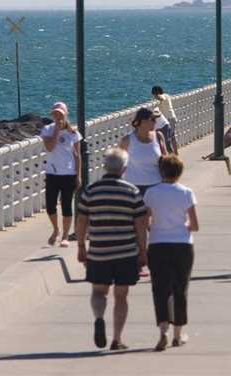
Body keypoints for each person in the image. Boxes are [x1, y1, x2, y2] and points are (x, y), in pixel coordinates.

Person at [76, 148, 147, 351]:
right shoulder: (131, 191)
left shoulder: (91, 191)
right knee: (121, 296)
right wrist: (143, 250)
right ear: (124, 168)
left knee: (99, 292)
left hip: (99, 250)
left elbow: (82, 220)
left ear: (105, 166)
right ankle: (117, 339)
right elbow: (141, 224)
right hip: (125, 251)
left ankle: (99, 318)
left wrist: (81, 245)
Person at [144, 155, 199, 351]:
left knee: (160, 289)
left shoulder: (151, 193)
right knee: (180, 289)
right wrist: (182, 225)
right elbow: (194, 225)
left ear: (162, 172)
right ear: (180, 172)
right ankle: (178, 334)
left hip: (158, 245)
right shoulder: (186, 193)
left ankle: (163, 331)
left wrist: (155, 228)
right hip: (182, 245)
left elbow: (146, 221)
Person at [40, 101, 82, 247]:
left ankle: (64, 236)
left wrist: (78, 176)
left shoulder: (73, 133)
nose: (58, 116)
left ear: (65, 114)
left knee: (66, 206)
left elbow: (78, 156)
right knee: (50, 205)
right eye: (55, 114)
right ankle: (56, 230)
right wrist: (57, 131)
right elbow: (50, 148)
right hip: (52, 173)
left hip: (68, 174)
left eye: (60, 114)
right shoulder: (47, 130)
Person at [119, 107, 167, 195]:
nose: (155, 122)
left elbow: (166, 161)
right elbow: (119, 164)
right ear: (142, 122)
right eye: (152, 119)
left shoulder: (159, 136)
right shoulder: (127, 140)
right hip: (133, 188)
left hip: (156, 186)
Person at [151, 86, 179, 153]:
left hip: (168, 118)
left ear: (156, 92)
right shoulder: (167, 95)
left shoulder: (162, 96)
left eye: (154, 94)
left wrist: (156, 97)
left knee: (168, 138)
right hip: (172, 117)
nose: (153, 96)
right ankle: (175, 152)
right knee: (172, 137)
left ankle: (172, 154)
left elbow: (161, 98)